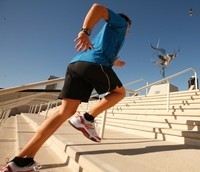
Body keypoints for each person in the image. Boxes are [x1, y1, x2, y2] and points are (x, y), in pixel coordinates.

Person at [0, 3, 131, 172]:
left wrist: (114, 62)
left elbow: (101, 51)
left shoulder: (109, 36)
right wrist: (85, 31)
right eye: (129, 29)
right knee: (119, 93)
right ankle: (87, 118)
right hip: (92, 64)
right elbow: (97, 8)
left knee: (64, 112)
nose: (128, 32)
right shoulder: (120, 23)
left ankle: (20, 162)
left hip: (76, 65)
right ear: (127, 25)